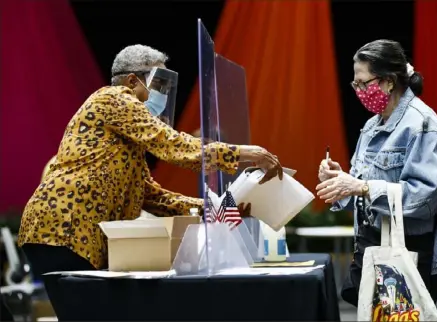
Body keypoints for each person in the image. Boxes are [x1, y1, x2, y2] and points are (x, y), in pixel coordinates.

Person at [17, 44, 282, 278]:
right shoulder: (114, 98)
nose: (162, 96)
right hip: (62, 229)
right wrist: (245, 153)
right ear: (132, 81)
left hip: (72, 236)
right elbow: (173, 145)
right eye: (158, 85)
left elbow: (151, 196)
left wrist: (216, 209)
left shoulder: (127, 137)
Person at [315, 39, 437, 306]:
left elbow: (425, 197)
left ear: (389, 81)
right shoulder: (372, 125)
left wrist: (362, 187)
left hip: (410, 251)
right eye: (355, 84)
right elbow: (364, 193)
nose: (358, 91)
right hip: (374, 246)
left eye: (363, 83)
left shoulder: (423, 124)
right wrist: (341, 182)